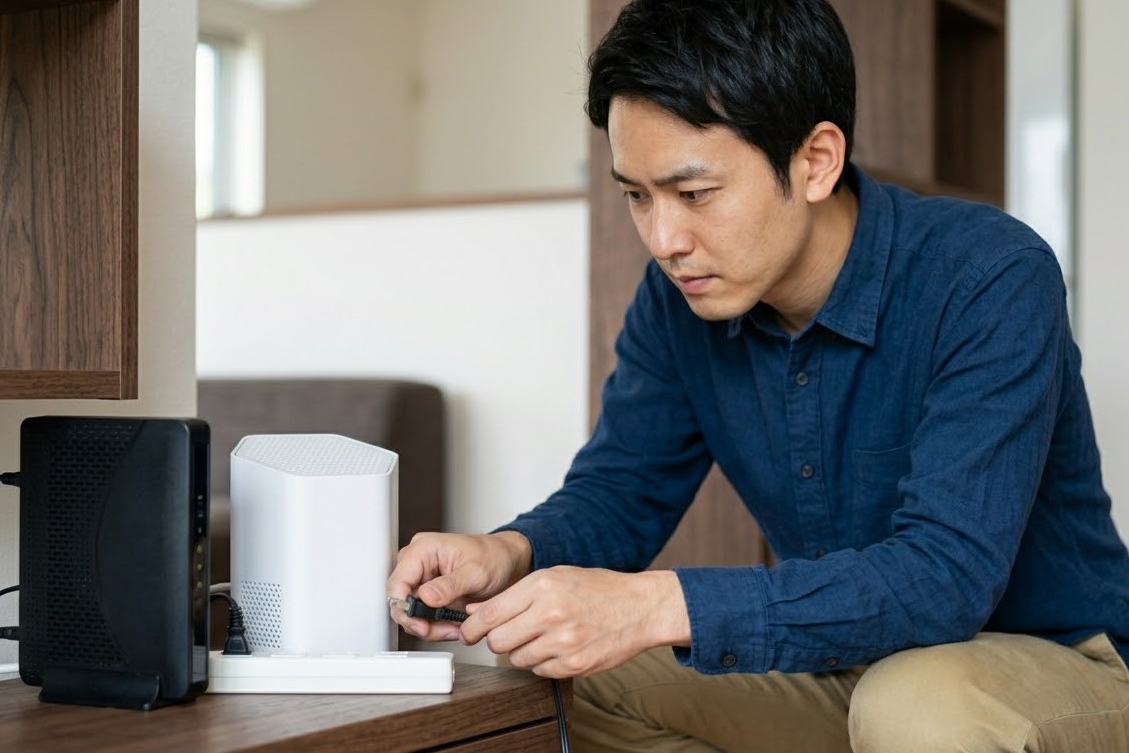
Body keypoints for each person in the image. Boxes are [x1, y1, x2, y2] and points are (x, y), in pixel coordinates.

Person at [386, 0, 1129, 750]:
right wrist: (509, 551)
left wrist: (655, 604)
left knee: (917, 707)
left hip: (1056, 664)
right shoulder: (679, 302)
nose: (664, 240)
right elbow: (621, 492)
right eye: (637, 196)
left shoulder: (988, 275)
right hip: (849, 662)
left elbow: (945, 578)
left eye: (694, 194)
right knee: (563, 673)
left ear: (816, 161)